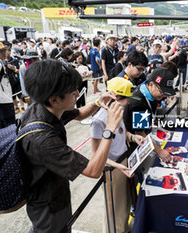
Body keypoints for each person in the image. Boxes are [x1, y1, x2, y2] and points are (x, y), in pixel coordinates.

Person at [21, 59, 124, 233]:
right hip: (48, 206)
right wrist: (110, 129)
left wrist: (98, 103)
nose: (77, 93)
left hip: (57, 192)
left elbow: (79, 114)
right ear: (54, 99)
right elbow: (93, 171)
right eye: (72, 91)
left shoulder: (44, 107)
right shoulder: (41, 139)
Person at [91, 77, 144, 233]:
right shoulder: (99, 120)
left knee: (125, 203)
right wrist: (116, 166)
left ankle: (123, 229)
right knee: (114, 208)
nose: (127, 103)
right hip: (111, 168)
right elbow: (96, 155)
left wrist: (133, 137)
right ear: (114, 97)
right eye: (125, 99)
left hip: (123, 162)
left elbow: (123, 132)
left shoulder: (116, 112)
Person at [123, 67, 176, 162]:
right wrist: (159, 151)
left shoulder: (150, 91)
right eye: (162, 92)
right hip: (135, 141)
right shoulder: (138, 102)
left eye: (166, 94)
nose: (163, 96)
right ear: (151, 84)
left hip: (147, 130)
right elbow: (140, 133)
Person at [5, 44, 25, 114]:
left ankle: (22, 107)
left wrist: (13, 69)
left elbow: (20, 71)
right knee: (12, 95)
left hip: (16, 80)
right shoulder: (3, 62)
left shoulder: (15, 60)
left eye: (7, 51)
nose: (5, 53)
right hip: (8, 82)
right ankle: (16, 107)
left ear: (10, 51)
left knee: (19, 94)